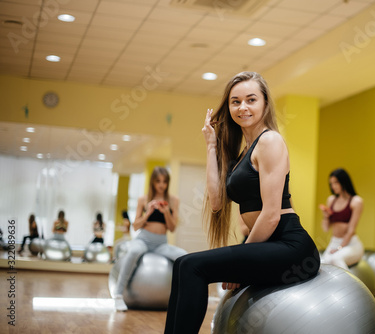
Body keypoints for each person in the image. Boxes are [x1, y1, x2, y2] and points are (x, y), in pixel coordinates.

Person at [164, 71, 320, 334]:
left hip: (289, 245)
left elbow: (271, 216)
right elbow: (216, 202)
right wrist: (211, 146)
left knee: (192, 266)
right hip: (266, 244)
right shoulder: (243, 153)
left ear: (265, 104)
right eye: (235, 102)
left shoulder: (270, 141)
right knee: (182, 265)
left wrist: (240, 263)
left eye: (251, 100)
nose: (242, 107)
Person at [113, 166, 187, 311]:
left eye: (165, 181)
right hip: (143, 240)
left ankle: (183, 298)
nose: (161, 185)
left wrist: (166, 212)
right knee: (133, 252)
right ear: (153, 182)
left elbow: (172, 228)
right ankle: (118, 295)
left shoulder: (173, 200)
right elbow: (135, 226)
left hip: (161, 243)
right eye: (158, 181)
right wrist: (148, 212)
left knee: (183, 256)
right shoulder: (143, 199)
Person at [319, 168, 364, 270]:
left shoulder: (356, 201)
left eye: (336, 182)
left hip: (351, 244)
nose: (333, 186)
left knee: (336, 259)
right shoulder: (331, 200)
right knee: (322, 264)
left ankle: (350, 286)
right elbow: (326, 228)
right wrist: (325, 216)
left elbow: (351, 230)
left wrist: (340, 248)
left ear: (344, 182)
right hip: (334, 242)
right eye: (331, 183)